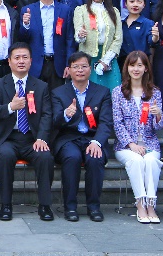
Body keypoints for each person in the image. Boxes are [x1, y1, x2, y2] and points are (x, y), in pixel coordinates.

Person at [0, 44, 54, 222]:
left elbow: (47, 114)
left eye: (25, 57)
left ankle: (45, 205)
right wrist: (11, 107)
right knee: (5, 155)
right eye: (17, 58)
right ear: (9, 61)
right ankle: (6, 205)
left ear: (31, 61)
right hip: (8, 138)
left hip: (33, 138)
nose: (21, 61)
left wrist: (41, 138)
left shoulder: (41, 86)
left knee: (45, 157)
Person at [51, 51, 113, 222]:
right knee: (72, 157)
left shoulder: (102, 92)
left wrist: (97, 142)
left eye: (84, 66)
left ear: (90, 69)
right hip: (68, 138)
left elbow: (106, 123)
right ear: (69, 70)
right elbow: (54, 121)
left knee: (95, 158)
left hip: (92, 138)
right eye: (76, 67)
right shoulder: (58, 92)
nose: (80, 70)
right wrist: (65, 114)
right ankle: (70, 207)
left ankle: (94, 207)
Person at [111, 51, 163, 224]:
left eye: (140, 65)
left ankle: (151, 205)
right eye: (132, 65)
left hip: (150, 143)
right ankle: (141, 204)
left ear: (146, 68)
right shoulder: (118, 92)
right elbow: (117, 123)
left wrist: (158, 115)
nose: (136, 69)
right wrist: (131, 144)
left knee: (151, 161)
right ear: (127, 68)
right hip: (125, 146)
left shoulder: (155, 93)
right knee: (136, 160)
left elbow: (158, 127)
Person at [18, 0, 75, 92]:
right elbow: (22, 40)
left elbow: (69, 39)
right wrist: (26, 25)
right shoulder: (27, 10)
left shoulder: (65, 10)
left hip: (58, 64)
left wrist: (69, 64)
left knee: (57, 98)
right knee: (36, 99)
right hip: (35, 64)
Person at [73, 0, 123, 90]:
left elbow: (118, 38)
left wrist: (106, 61)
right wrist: (81, 35)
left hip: (109, 58)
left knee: (112, 91)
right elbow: (78, 36)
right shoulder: (81, 10)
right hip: (87, 60)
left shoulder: (114, 11)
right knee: (90, 93)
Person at [120, 0, 158, 75]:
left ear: (144, 5)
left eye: (139, 1)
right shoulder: (120, 24)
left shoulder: (148, 23)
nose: (135, 5)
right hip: (122, 64)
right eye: (132, 1)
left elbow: (152, 41)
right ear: (125, 4)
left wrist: (155, 37)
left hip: (141, 64)